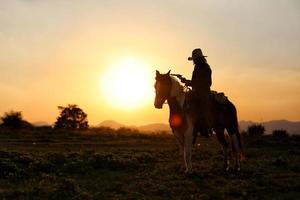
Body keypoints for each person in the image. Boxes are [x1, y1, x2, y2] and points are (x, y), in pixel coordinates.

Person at [181, 48, 212, 137]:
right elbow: (195, 81)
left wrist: (188, 82)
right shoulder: (197, 68)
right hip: (196, 91)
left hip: (204, 92)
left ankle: (205, 128)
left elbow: (204, 82)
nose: (194, 61)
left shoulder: (206, 68)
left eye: (195, 59)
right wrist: (187, 81)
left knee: (202, 107)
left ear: (199, 59)